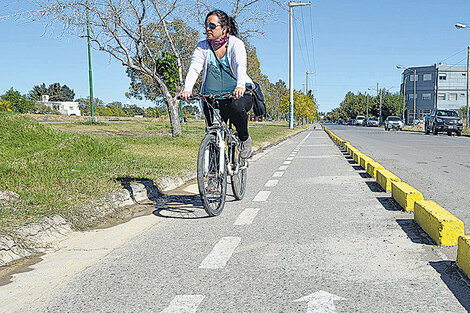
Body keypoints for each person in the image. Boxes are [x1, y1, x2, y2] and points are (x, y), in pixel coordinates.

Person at [180, 9, 254, 159]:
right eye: (206, 25)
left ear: (224, 28)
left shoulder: (235, 44)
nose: (208, 29)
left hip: (236, 94)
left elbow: (241, 65)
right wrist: (187, 89)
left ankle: (244, 139)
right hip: (211, 96)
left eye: (212, 26)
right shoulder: (202, 46)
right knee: (212, 134)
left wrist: (240, 85)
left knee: (237, 107)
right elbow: (194, 68)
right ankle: (213, 176)